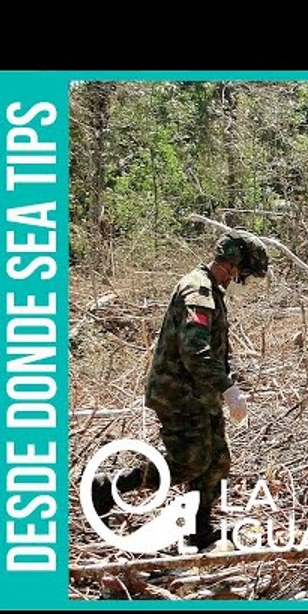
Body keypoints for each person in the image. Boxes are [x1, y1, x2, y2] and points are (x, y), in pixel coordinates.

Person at [89, 228, 270, 550]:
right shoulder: (198, 290)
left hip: (200, 393)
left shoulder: (211, 291)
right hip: (178, 394)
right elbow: (194, 350)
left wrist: (224, 385)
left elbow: (211, 351)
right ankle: (110, 486)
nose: (243, 281)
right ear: (233, 264)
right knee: (190, 461)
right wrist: (228, 388)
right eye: (244, 274)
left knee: (216, 461)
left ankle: (200, 530)